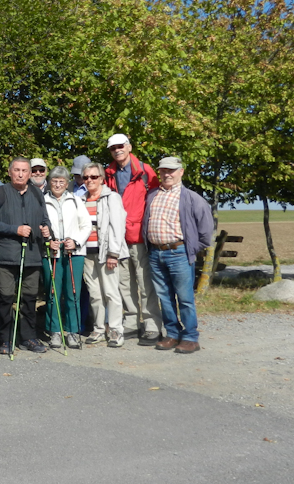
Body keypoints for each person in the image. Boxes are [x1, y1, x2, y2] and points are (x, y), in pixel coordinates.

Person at [142, 156, 214, 354]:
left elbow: (206, 232)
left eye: (171, 170)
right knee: (164, 297)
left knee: (184, 298)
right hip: (156, 253)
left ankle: (191, 337)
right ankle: (172, 334)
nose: (167, 174)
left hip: (178, 253)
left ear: (181, 172)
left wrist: (190, 248)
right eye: (164, 170)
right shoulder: (152, 195)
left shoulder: (192, 198)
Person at [0, 158, 51, 355]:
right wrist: (16, 230)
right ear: (9, 172)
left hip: (32, 255)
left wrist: (47, 230)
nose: (21, 174)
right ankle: (5, 338)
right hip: (6, 255)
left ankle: (29, 337)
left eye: (24, 170)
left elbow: (45, 220)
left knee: (29, 299)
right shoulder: (1, 192)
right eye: (17, 170)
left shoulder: (37, 193)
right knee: (5, 298)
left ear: (30, 173)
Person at [104, 133, 163, 345]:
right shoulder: (107, 173)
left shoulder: (145, 171)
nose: (117, 150)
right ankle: (130, 323)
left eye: (121, 146)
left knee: (146, 283)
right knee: (124, 283)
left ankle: (152, 325)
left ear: (129, 146)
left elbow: (158, 200)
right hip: (118, 237)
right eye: (113, 148)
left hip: (139, 236)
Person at [80, 162, 129, 347]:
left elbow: (118, 226)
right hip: (87, 254)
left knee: (111, 292)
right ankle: (99, 328)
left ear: (101, 178)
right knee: (95, 294)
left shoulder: (112, 198)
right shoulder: (82, 199)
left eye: (93, 177)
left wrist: (113, 253)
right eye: (86, 177)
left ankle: (116, 329)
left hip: (106, 253)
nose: (89, 180)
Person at [43, 166, 91, 349]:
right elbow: (39, 226)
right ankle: (54, 331)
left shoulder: (76, 200)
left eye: (61, 181)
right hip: (51, 253)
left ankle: (73, 331)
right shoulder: (42, 201)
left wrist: (76, 241)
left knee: (73, 293)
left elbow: (86, 225)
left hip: (74, 253)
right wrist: (47, 241)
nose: (57, 184)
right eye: (54, 181)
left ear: (67, 183)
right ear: (50, 182)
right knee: (53, 293)